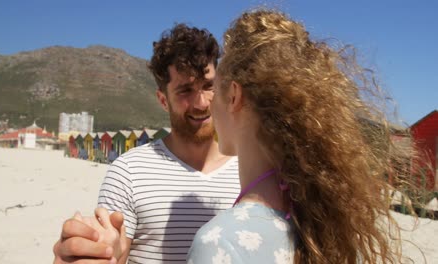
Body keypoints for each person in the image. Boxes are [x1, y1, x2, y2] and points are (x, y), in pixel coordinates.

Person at [187, 9, 408, 264]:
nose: (208, 104)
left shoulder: (220, 242)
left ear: (235, 95)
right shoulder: (333, 230)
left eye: (214, 89)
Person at [53, 24, 241, 263]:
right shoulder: (128, 172)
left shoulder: (250, 171)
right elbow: (113, 247)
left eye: (208, 86)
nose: (201, 103)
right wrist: (95, 253)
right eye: (185, 90)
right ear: (163, 100)